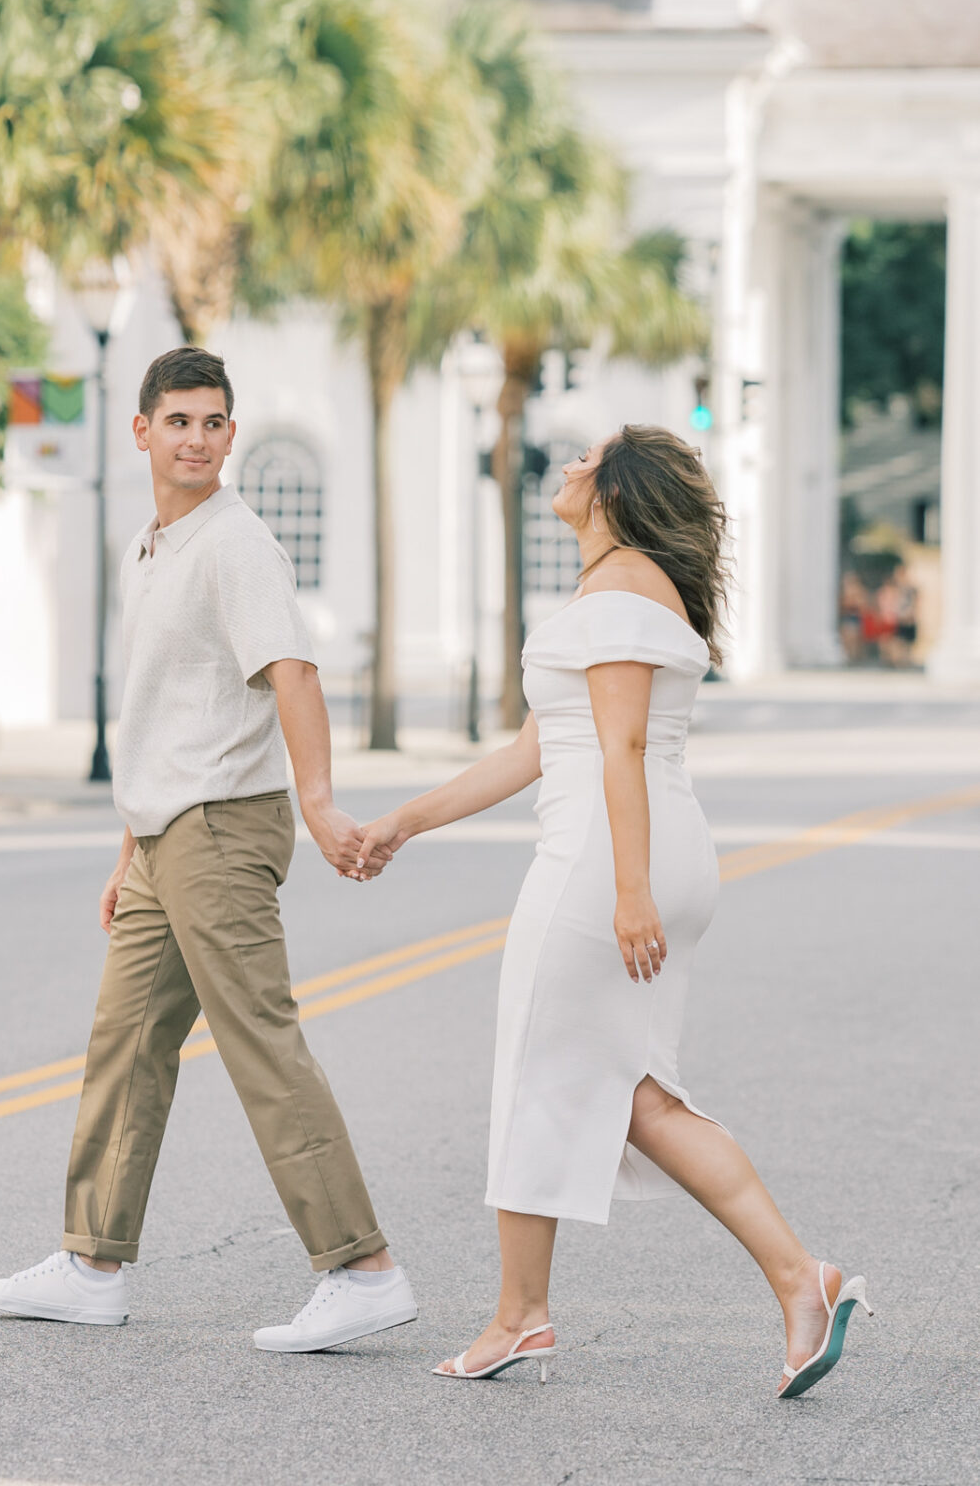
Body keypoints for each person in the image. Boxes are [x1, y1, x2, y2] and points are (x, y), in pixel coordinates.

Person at [351, 424, 873, 1401]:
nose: (568, 464)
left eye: (587, 459)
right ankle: (799, 1280)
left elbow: (621, 748)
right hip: (637, 852)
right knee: (637, 1095)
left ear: (616, 491)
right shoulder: (620, 588)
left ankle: (519, 1316)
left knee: (538, 1076)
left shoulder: (623, 588)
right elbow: (533, 750)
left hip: (603, 860)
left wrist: (629, 889)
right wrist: (403, 822)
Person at [0, 346, 418, 1353]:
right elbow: (165, 711)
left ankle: (363, 1268)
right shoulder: (154, 547)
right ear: (141, 430)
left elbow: (293, 674)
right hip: (163, 833)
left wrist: (318, 804)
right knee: (125, 1044)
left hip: (219, 827)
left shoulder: (234, 544)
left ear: (230, 434)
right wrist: (128, 844)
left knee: (258, 1039)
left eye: (213, 422)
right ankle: (92, 1263)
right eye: (178, 420)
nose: (196, 439)